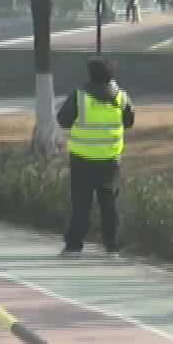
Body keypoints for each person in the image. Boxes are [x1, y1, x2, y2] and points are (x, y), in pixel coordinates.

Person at [56, 58, 134, 257]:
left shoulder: (79, 96)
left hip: (82, 159)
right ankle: (112, 246)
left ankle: (74, 246)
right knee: (109, 204)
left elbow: (63, 120)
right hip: (110, 160)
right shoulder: (121, 97)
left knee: (81, 204)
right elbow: (129, 121)